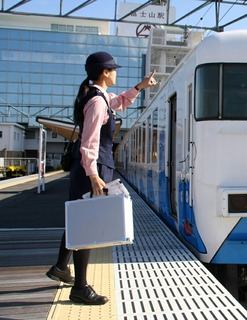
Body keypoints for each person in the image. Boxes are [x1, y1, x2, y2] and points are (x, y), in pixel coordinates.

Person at [46, 51, 158, 305]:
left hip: (93, 168)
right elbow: (89, 142)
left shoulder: (100, 97)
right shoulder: (97, 102)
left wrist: (140, 86)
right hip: (93, 169)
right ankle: (80, 288)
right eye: (113, 69)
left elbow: (118, 102)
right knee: (86, 225)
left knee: (78, 219)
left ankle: (61, 267)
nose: (117, 72)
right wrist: (94, 175)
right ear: (104, 72)